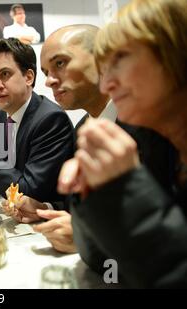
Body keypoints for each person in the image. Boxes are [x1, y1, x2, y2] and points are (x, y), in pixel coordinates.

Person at [4, 24, 175, 254]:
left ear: (103, 60)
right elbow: (86, 204)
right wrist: (44, 208)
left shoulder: (153, 125)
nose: (49, 81)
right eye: (46, 72)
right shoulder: (83, 127)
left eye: (60, 63)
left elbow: (167, 229)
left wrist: (90, 237)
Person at [58, 0, 187, 287]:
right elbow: (107, 261)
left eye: (121, 59)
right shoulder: (155, 142)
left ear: (175, 53)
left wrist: (127, 190)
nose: (106, 86)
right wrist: (92, 188)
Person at [0, 37, 74, 207]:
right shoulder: (1, 116)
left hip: (49, 223)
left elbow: (27, 194)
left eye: (5, 74)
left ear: (28, 77)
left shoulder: (50, 120)